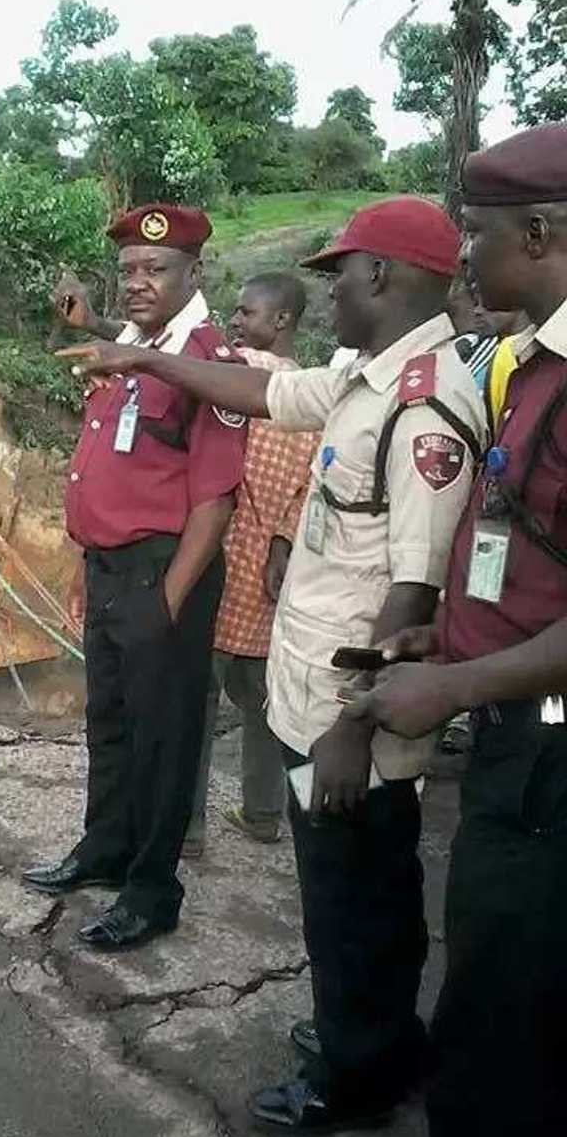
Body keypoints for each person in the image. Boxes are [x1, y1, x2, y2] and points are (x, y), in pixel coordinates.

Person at [60, 197, 485, 1124]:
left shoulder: (423, 412)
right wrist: (136, 353)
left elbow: (414, 595)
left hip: (350, 713)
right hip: (312, 690)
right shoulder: (364, 376)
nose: (331, 292)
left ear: (384, 277)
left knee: (352, 894)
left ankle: (354, 1073)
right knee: (360, 887)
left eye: (342, 274)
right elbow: (262, 394)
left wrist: (350, 726)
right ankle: (374, 1034)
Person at [355, 125, 567, 1137]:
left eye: (477, 234)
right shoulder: (528, 362)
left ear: (538, 234)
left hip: (546, 747)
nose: (464, 254)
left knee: (496, 1039)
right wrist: (441, 641)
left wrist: (455, 691)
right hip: (509, 725)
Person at [22, 203, 248, 950]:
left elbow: (214, 503)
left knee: (165, 736)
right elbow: (121, 352)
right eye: (128, 271)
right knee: (110, 723)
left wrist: (168, 600)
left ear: (195, 273)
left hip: (164, 574)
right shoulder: (136, 345)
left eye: (157, 269)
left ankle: (152, 889)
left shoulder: (210, 363)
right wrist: (92, 563)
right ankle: (104, 848)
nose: (139, 282)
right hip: (111, 568)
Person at [188, 273, 320, 848]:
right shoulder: (314, 395)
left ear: (282, 320)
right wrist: (284, 543)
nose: (235, 323)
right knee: (264, 705)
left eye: (245, 312)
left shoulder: (233, 372)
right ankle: (262, 814)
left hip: (218, 557)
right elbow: (311, 488)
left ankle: (186, 826)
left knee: (195, 700)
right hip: (270, 573)